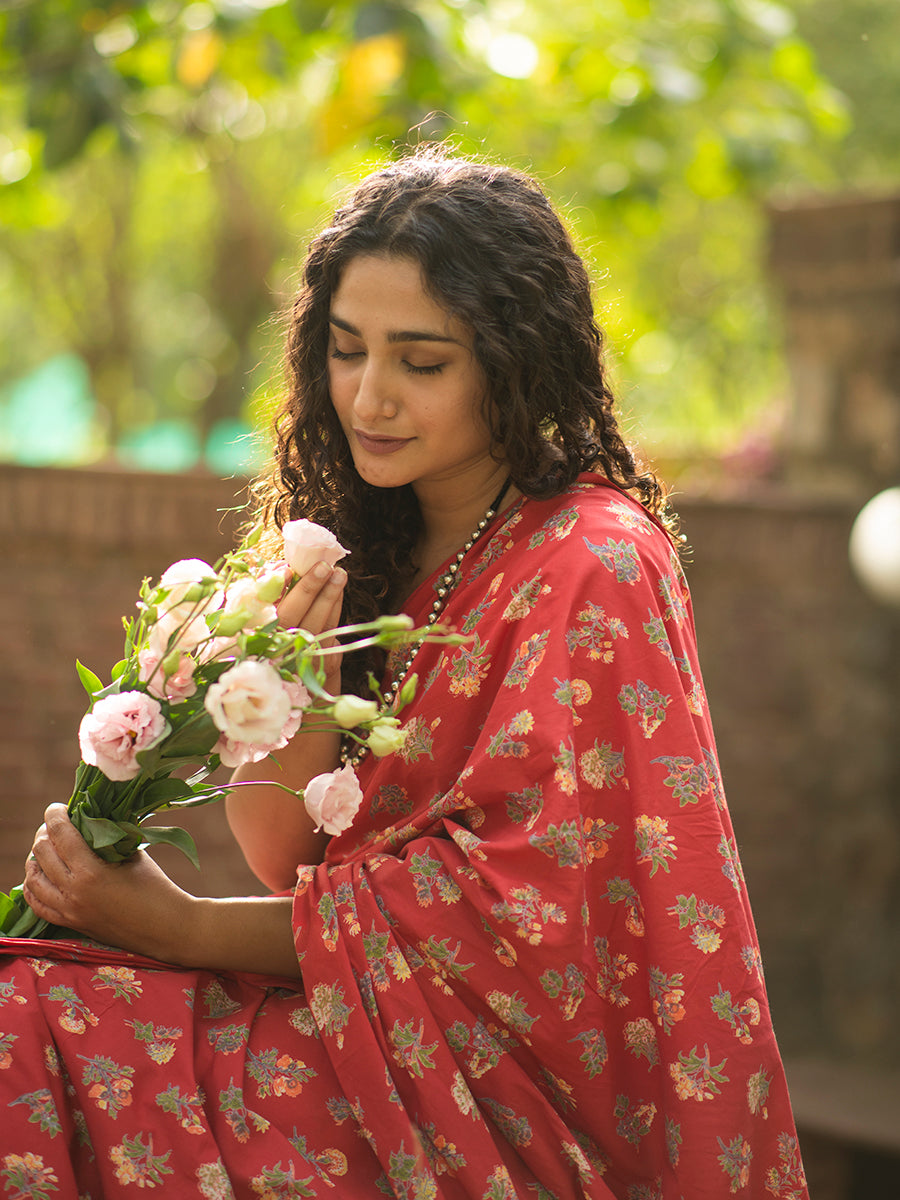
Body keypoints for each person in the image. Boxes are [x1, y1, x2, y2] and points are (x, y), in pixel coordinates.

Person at [0, 149, 808, 1199]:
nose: (368, 398)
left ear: (514, 363)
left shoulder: (591, 562)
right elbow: (285, 854)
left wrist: (177, 927)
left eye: (421, 363)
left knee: (27, 1034)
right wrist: (286, 677)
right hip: (358, 1021)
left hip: (492, 1093)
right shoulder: (365, 541)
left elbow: (517, 922)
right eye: (345, 352)